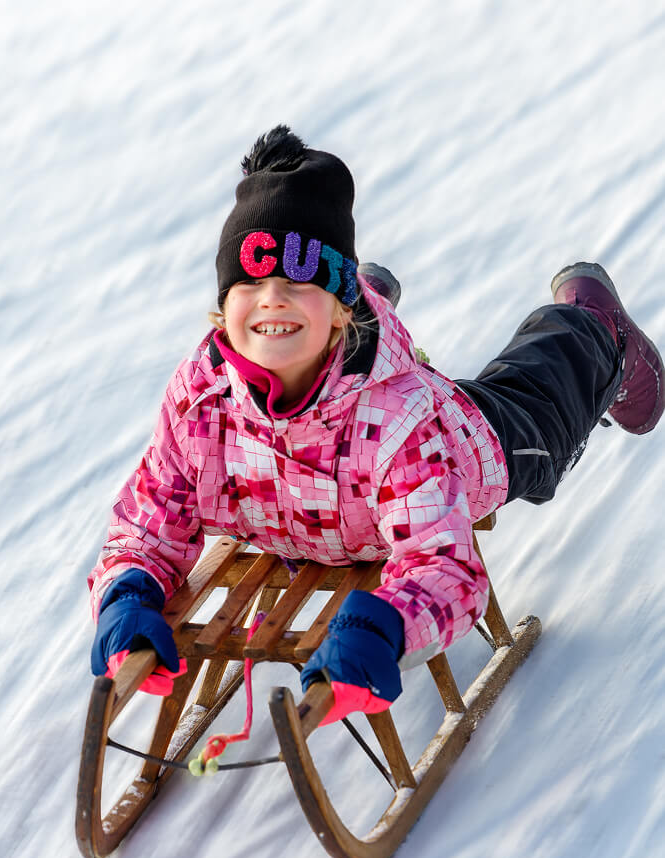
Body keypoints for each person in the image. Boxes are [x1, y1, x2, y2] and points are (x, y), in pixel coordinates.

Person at [88, 125, 663, 726]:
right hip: (318, 498)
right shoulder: (199, 400)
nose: (271, 298)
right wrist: (126, 597)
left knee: (538, 416)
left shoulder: (397, 418)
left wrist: (385, 626)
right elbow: (147, 524)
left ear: (341, 310)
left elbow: (444, 566)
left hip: (458, 447)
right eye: (250, 283)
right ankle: (358, 296)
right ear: (222, 307)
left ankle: (594, 327)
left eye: (299, 284)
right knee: (303, 342)